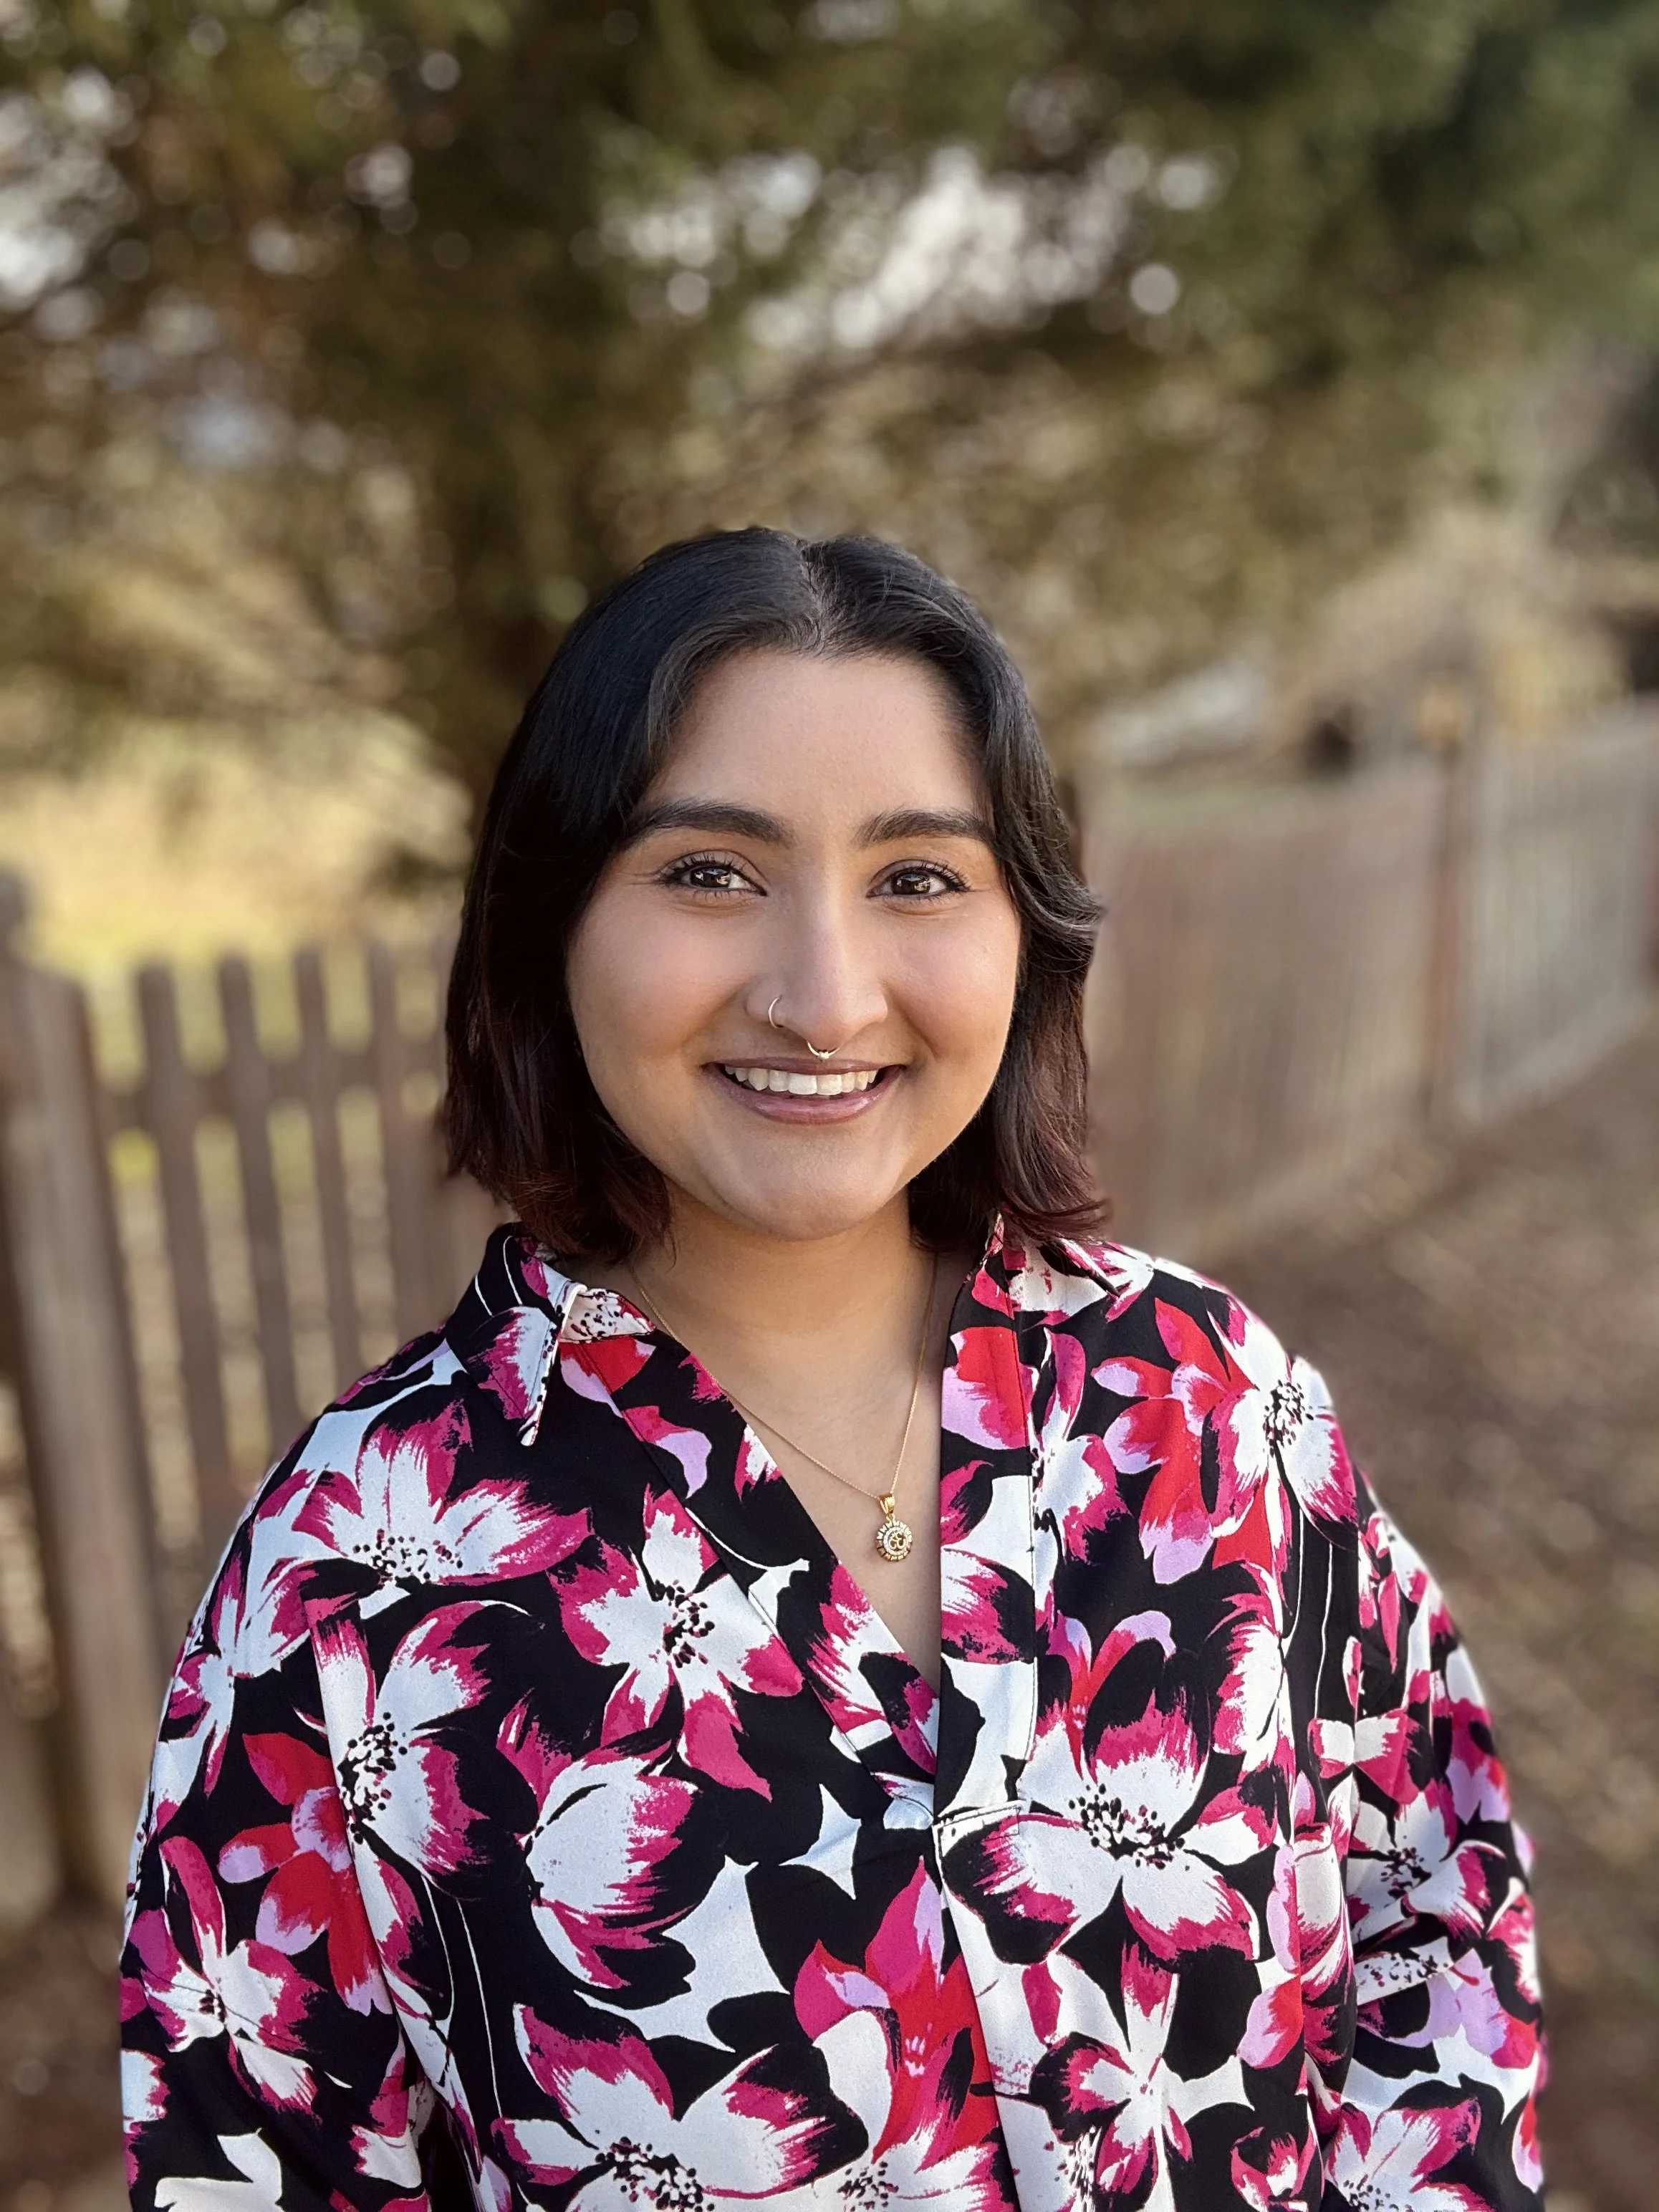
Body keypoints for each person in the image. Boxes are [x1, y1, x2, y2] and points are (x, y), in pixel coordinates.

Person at [120, 530, 1544, 2211]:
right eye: (711, 872)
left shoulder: (1211, 1405)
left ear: (1028, 934)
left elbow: (1437, 1924)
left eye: (918, 876)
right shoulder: (348, 1581)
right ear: (549, 919)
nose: (823, 992)